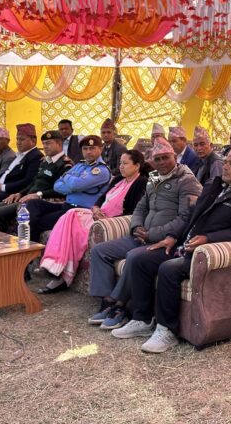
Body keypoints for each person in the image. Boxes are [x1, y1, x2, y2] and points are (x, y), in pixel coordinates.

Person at [111, 138, 231, 353]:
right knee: (140, 259)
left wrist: (208, 238)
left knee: (168, 269)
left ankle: (167, 330)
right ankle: (142, 319)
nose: (225, 166)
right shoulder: (215, 184)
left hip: (204, 251)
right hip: (183, 243)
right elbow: (190, 214)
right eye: (226, 162)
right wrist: (172, 236)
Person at [87, 139, 201, 329]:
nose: (162, 162)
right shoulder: (154, 178)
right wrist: (136, 227)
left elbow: (186, 217)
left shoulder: (187, 180)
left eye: (166, 157)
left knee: (134, 257)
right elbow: (140, 207)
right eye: (158, 159)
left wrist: (152, 234)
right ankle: (107, 302)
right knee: (100, 251)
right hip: (141, 236)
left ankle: (119, 306)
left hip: (165, 240)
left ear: (175, 157)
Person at [37, 150, 148, 294]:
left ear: (137, 165)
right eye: (120, 163)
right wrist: (95, 208)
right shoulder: (118, 179)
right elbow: (102, 198)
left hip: (111, 221)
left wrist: (109, 220)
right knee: (69, 215)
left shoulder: (141, 182)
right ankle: (53, 264)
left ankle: (60, 273)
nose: (121, 166)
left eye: (125, 163)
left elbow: (134, 211)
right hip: (97, 214)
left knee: (75, 228)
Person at [25, 135, 110, 240]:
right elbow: (57, 185)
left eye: (92, 148)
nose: (88, 152)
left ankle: (30, 246)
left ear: (101, 149)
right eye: (85, 149)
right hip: (66, 206)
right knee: (34, 204)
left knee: (39, 221)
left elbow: (76, 185)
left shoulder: (100, 170)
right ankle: (27, 239)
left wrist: (67, 177)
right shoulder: (80, 165)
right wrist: (74, 182)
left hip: (79, 211)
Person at [0, 129, 72, 232]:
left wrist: (38, 194)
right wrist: (20, 193)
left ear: (59, 144)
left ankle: (3, 241)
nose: (45, 146)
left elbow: (60, 190)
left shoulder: (65, 164)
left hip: (44, 200)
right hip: (28, 196)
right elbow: (34, 182)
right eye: (44, 143)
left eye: (48, 143)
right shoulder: (45, 161)